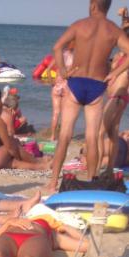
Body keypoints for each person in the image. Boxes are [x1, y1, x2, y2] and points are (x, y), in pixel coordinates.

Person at [47, 0, 129, 193]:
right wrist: (115, 73)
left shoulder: (79, 25)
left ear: (93, 5)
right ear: (107, 7)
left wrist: (63, 70)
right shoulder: (113, 30)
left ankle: (52, 183)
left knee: (65, 135)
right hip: (97, 85)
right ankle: (92, 182)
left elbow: (57, 47)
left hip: (76, 82)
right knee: (92, 137)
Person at [0, 87, 51, 170]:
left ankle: (42, 166)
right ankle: (38, 161)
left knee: (14, 163)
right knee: (13, 143)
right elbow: (10, 146)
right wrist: (18, 156)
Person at [98, 50, 129, 173]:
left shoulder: (124, 58)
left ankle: (97, 168)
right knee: (113, 134)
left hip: (117, 97)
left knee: (100, 133)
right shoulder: (119, 55)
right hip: (119, 98)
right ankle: (109, 169)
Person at [49, 45, 74, 139]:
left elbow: (48, 69)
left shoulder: (58, 56)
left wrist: (51, 81)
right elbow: (71, 74)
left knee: (55, 113)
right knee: (65, 113)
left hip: (57, 86)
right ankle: (64, 135)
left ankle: (52, 136)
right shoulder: (73, 58)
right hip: (66, 86)